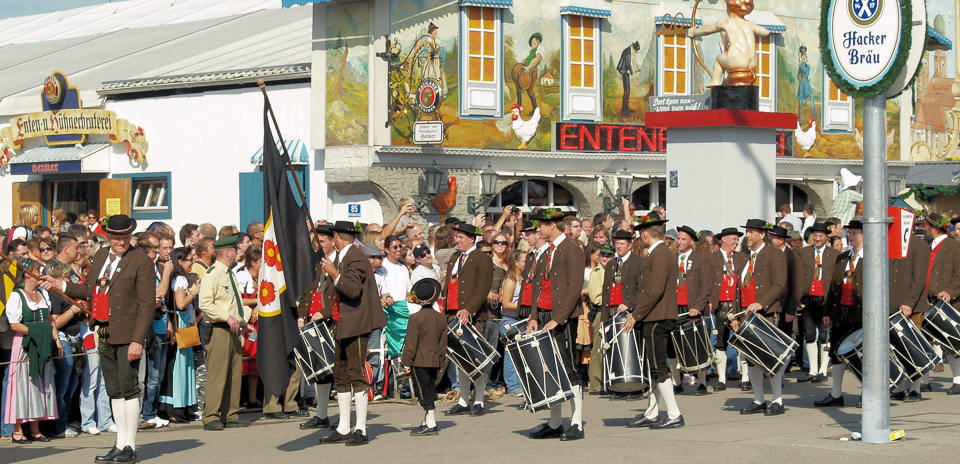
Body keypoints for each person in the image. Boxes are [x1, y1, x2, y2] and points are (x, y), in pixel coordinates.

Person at [48, 214, 156, 463]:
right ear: (109, 236)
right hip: (104, 332)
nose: (122, 241)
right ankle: (120, 444)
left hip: (128, 335)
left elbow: (147, 305)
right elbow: (88, 290)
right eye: (118, 237)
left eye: (126, 236)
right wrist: (59, 285)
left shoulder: (140, 261)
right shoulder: (99, 257)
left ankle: (130, 445)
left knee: (129, 389)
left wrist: (138, 340)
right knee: (115, 391)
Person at [320, 221, 387, 446]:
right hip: (344, 322)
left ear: (337, 236)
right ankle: (344, 426)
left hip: (356, 323)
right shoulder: (343, 256)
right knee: (340, 374)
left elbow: (352, 289)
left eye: (332, 237)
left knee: (356, 372)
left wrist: (334, 274)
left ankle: (361, 428)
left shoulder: (355, 257)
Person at [526, 208, 585, 440]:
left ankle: (577, 422)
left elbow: (574, 288)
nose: (538, 229)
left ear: (553, 225)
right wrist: (533, 316)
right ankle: (555, 423)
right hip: (544, 315)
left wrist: (558, 319)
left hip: (562, 317)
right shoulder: (546, 251)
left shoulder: (572, 249)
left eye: (541, 224)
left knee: (569, 370)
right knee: (550, 370)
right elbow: (537, 288)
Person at [621, 213, 684, 429]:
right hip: (656, 314)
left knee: (658, 367)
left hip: (658, 316)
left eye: (640, 234)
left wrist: (636, 314)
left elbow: (654, 290)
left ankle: (674, 413)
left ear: (645, 235)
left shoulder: (659, 254)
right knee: (653, 367)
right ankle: (652, 411)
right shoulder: (660, 253)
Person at [732, 219, 787, 416]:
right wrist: (735, 315)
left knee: (770, 358)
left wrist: (761, 303)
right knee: (751, 359)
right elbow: (739, 288)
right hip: (746, 314)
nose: (748, 235)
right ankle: (759, 399)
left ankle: (778, 400)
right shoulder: (745, 257)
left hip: (765, 314)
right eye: (747, 232)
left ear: (762, 234)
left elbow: (779, 284)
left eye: (752, 232)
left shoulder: (774, 255)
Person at [199, 234, 252, 431]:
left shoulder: (229, 274)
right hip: (220, 329)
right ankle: (210, 415)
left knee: (233, 374)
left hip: (234, 329)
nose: (238, 253)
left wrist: (241, 322)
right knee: (217, 374)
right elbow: (205, 304)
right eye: (236, 250)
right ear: (227, 252)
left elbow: (233, 303)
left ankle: (230, 413)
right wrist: (226, 317)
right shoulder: (213, 274)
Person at [442, 222, 495, 417]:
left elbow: (482, 288)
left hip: (472, 316)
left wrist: (469, 309)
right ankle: (464, 400)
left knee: (475, 358)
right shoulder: (454, 257)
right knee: (459, 359)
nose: (457, 240)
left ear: (471, 239)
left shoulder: (482, 259)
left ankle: (479, 400)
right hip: (453, 314)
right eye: (456, 237)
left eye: (460, 237)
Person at [5, 259, 60, 444]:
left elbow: (50, 320)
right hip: (24, 345)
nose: (41, 273)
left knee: (41, 384)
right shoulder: (17, 295)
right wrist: (37, 332)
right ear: (28, 273)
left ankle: (36, 429)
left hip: (42, 344)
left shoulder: (42, 293)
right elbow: (14, 324)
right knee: (22, 385)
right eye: (38, 270)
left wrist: (56, 340)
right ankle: (17, 430)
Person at [815, 220, 863, 407]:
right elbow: (834, 287)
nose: (850, 236)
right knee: (836, 352)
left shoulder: (872, 257)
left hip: (860, 313)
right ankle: (836, 393)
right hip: (841, 311)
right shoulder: (842, 258)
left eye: (854, 233)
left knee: (861, 355)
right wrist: (828, 311)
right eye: (849, 233)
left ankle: (866, 393)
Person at [299, 226, 337, 430]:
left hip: (333, 321)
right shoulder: (313, 263)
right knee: (320, 369)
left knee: (338, 370)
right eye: (316, 241)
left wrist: (326, 312)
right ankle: (321, 414)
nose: (317, 245)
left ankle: (348, 418)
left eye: (321, 241)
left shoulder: (340, 261)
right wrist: (300, 316)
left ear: (332, 240)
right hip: (313, 321)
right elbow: (305, 292)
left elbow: (342, 293)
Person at [598, 231, 643, 397]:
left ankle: (636, 387)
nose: (618, 246)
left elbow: (642, 290)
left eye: (622, 243)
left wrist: (630, 304)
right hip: (612, 312)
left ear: (630, 245)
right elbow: (605, 292)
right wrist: (603, 318)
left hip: (628, 312)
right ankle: (615, 385)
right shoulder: (611, 264)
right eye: (617, 243)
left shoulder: (639, 262)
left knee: (630, 350)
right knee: (613, 350)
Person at [921, 213, 960, 397]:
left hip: (948, 301)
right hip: (927, 300)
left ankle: (958, 380)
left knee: (950, 343)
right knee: (924, 341)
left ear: (934, 228)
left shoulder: (953, 246)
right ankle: (925, 381)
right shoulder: (926, 247)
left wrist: (950, 291)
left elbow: (959, 273)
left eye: (926, 226)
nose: (924, 229)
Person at [402, 278, 447, 436]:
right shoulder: (441, 318)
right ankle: (428, 420)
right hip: (434, 359)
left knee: (423, 392)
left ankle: (431, 423)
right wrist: (441, 361)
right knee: (430, 388)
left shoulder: (415, 318)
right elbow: (443, 344)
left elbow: (411, 344)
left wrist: (406, 363)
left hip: (419, 361)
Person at [669, 225, 711, 396]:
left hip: (692, 307)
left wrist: (697, 307)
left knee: (697, 344)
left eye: (683, 239)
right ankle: (676, 382)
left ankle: (702, 383)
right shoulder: (671, 259)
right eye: (678, 238)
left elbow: (706, 285)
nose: (679, 242)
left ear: (692, 241)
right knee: (671, 346)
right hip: (673, 307)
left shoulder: (701, 260)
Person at [796, 222, 840, 383]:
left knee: (824, 334)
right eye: (815, 236)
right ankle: (813, 369)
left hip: (825, 300)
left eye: (821, 236)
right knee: (808, 334)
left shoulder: (834, 255)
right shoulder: (803, 253)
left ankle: (823, 370)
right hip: (808, 299)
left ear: (827, 237)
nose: (817, 239)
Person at [889, 229, 930, 401]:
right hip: (891, 303)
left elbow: (919, 278)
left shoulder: (919, 245)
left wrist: (909, 302)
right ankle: (898, 387)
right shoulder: (889, 242)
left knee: (913, 348)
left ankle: (915, 387)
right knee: (895, 348)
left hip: (910, 305)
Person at [159, 248, 200, 422]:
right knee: (179, 366)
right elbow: (181, 303)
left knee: (181, 365)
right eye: (190, 259)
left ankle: (181, 407)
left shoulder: (174, 278)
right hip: (179, 322)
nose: (193, 262)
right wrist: (193, 292)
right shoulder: (181, 279)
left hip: (176, 321)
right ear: (181, 261)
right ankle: (174, 407)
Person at [46, 260, 84, 438]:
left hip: (75, 340)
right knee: (62, 386)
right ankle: (59, 425)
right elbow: (54, 322)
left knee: (72, 384)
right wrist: (73, 311)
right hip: (63, 339)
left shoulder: (65, 293)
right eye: (68, 276)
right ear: (59, 277)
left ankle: (66, 420)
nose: (70, 279)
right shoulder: (54, 295)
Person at [707, 227, 745, 391]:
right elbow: (706, 281)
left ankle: (746, 378)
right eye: (733, 239)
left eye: (737, 239)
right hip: (720, 305)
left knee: (743, 342)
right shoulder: (711, 258)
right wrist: (709, 300)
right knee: (720, 342)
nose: (736, 242)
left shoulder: (743, 257)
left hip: (738, 305)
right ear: (723, 240)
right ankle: (722, 379)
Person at [234, 246, 262, 410]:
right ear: (252, 262)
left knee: (254, 362)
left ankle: (252, 399)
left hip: (257, 325)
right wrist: (257, 303)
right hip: (245, 323)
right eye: (260, 261)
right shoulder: (242, 276)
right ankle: (237, 399)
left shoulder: (261, 277)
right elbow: (239, 300)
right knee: (241, 362)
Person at [617, 41, 641, 117]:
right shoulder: (628, 54)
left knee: (628, 91)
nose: (635, 53)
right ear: (633, 48)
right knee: (627, 91)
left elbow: (633, 61)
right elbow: (631, 70)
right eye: (635, 51)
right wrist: (635, 82)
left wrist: (636, 66)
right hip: (623, 71)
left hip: (625, 70)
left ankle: (626, 108)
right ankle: (624, 112)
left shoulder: (629, 50)